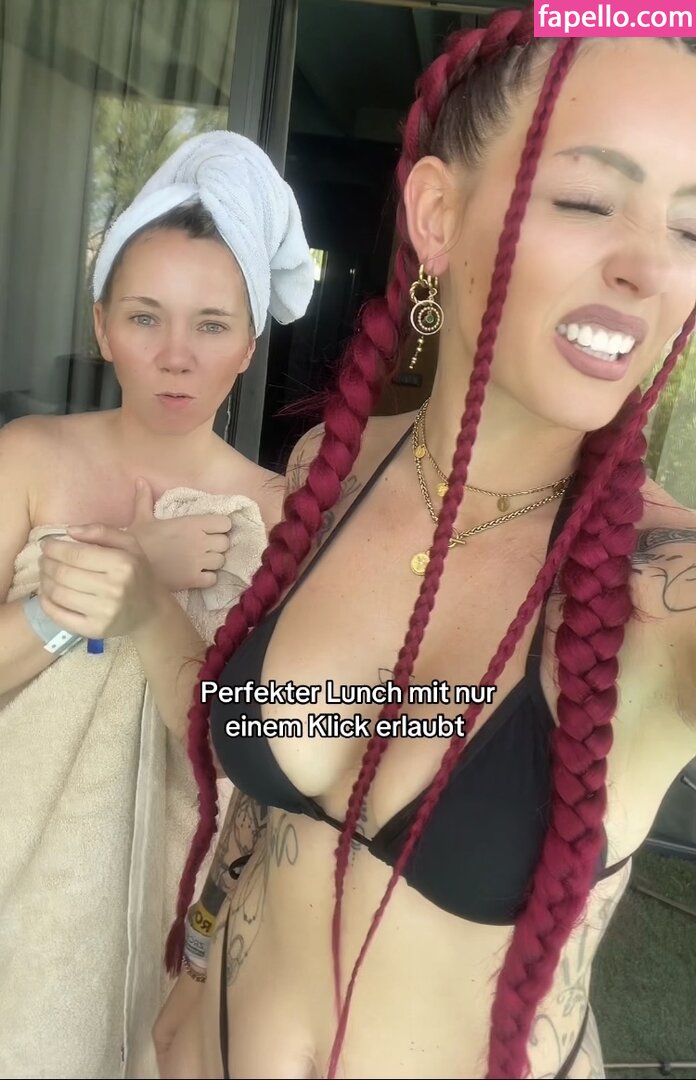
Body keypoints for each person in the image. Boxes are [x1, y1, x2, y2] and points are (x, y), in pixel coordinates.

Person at [154, 15, 696, 1080]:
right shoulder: (334, 467)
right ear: (439, 215)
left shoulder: (660, 591)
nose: (649, 267)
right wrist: (193, 964)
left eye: (693, 228)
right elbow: (265, 800)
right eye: (590, 201)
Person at [0, 130, 314, 1079]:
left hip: (180, 896)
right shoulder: (30, 456)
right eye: (145, 317)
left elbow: (272, 747)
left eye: (211, 326)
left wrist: (153, 608)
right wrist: (116, 575)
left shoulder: (284, 516)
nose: (176, 356)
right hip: (20, 865)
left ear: (250, 345)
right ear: (102, 327)